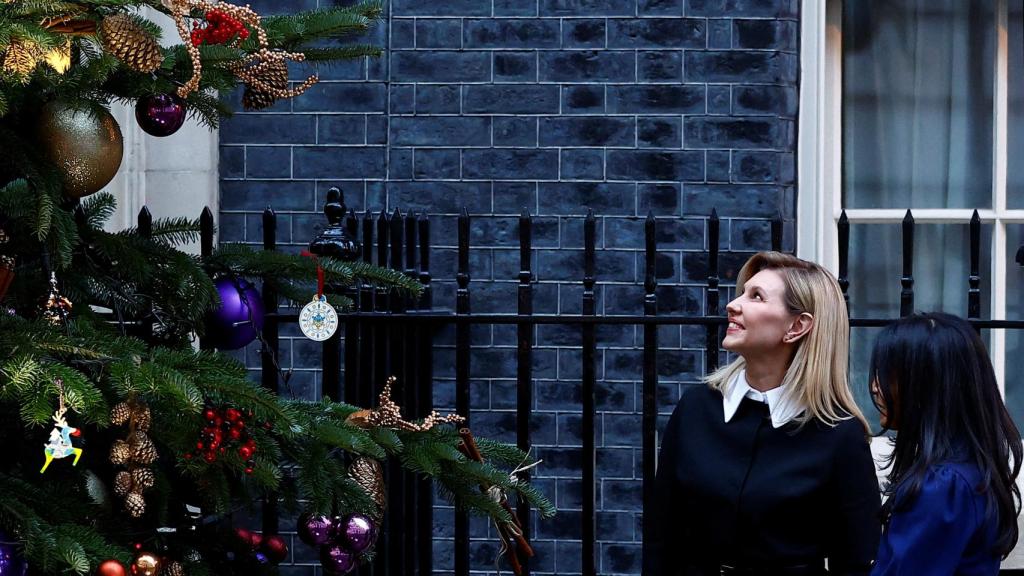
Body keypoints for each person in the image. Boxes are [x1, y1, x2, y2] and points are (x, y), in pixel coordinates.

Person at [645, 251, 881, 576]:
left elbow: (855, 558)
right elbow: (661, 534)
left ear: (798, 326)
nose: (733, 304)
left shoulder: (839, 433)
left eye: (756, 296)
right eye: (743, 292)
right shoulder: (696, 409)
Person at [869, 312, 1022, 575]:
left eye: (888, 376)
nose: (875, 387)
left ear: (927, 386)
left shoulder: (943, 485)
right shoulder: (968, 472)